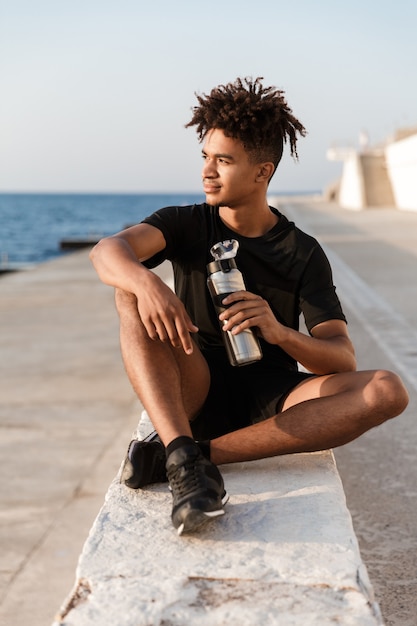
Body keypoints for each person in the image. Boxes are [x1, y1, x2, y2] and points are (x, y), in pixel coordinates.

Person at [90, 77, 409, 536]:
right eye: (205, 156)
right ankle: (182, 452)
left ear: (262, 171)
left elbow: (341, 356)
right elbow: (108, 251)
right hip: (194, 383)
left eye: (224, 160)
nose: (208, 171)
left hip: (273, 395)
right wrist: (147, 283)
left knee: (387, 391)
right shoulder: (186, 223)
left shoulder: (302, 251)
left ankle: (192, 456)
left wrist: (279, 332)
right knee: (128, 291)